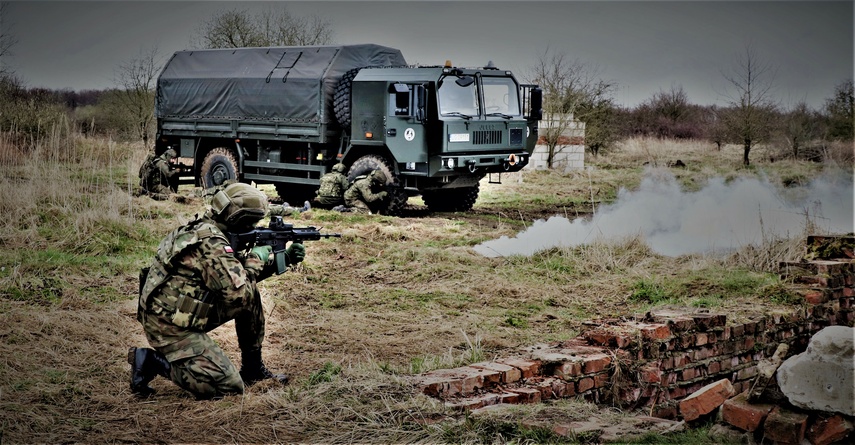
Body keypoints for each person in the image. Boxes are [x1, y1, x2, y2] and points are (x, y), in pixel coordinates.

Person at [129, 183, 306, 400]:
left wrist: (284, 258)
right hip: (169, 326)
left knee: (251, 296)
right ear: (237, 219)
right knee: (228, 387)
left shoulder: (205, 229)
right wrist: (256, 258)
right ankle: (152, 362)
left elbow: (234, 278)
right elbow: (238, 295)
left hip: (182, 312)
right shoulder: (212, 244)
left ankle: (253, 369)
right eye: (251, 222)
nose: (254, 226)